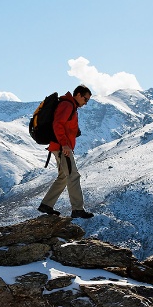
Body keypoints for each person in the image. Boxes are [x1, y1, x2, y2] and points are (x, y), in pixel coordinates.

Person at [37, 85, 94, 219]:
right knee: (73, 176)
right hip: (62, 148)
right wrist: (64, 144)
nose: (86, 103)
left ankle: (46, 204)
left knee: (63, 176)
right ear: (78, 95)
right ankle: (77, 209)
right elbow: (58, 124)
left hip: (59, 147)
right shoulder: (67, 105)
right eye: (85, 99)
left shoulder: (70, 106)